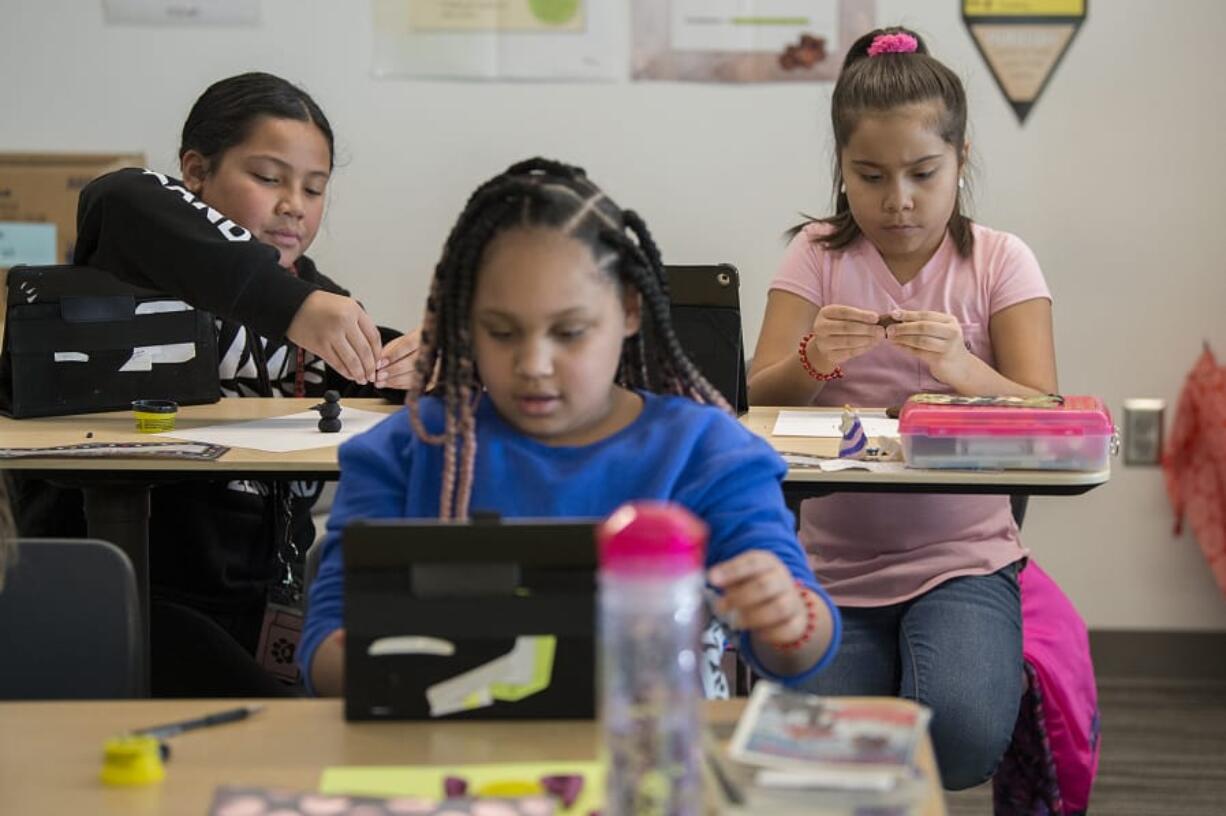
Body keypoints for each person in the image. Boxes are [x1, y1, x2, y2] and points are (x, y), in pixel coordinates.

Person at [300, 158, 842, 697]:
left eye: (571, 332)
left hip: (649, 763)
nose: (534, 363)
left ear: (630, 312)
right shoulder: (405, 452)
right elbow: (323, 651)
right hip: (450, 767)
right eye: (501, 332)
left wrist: (788, 617)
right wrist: (383, 659)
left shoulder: (706, 451)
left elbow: (796, 653)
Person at [12, 72, 420, 696]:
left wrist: (420, 363)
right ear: (196, 173)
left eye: (315, 188)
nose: (295, 206)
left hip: (261, 601)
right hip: (123, 591)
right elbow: (119, 195)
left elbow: (375, 364)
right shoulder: (135, 255)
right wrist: (292, 305)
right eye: (268, 178)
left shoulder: (319, 306)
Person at [747, 28, 1057, 790]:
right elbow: (752, 399)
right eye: (870, 176)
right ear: (841, 172)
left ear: (962, 159)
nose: (900, 201)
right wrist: (816, 358)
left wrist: (961, 369)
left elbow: (1049, 413)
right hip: (830, 561)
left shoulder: (999, 261)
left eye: (924, 172)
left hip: (964, 560)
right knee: (811, 769)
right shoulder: (817, 255)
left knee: (960, 736)